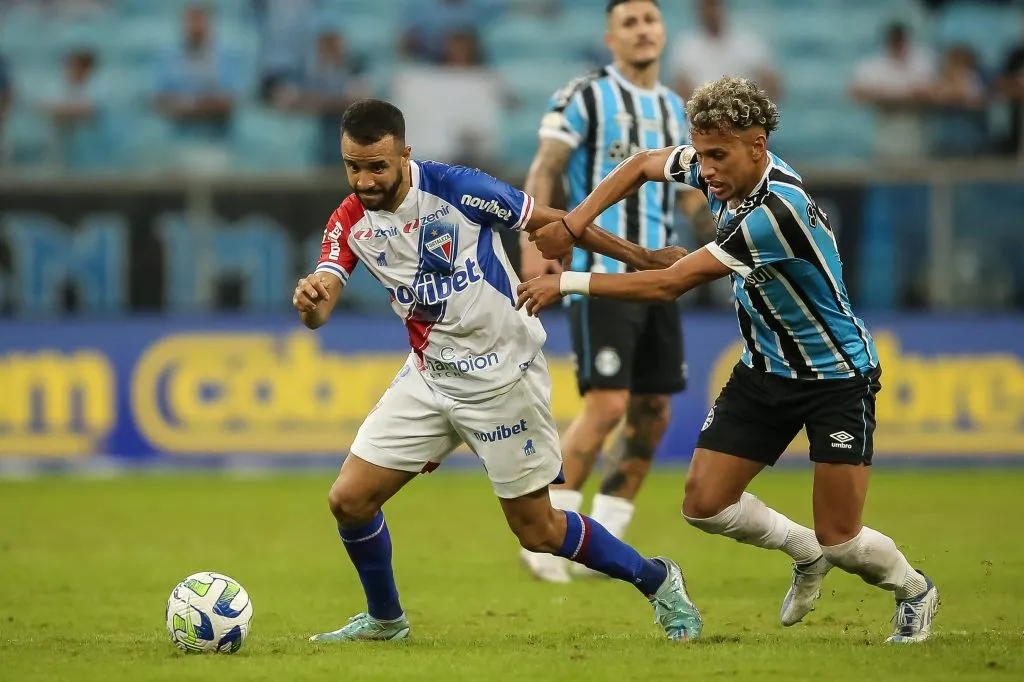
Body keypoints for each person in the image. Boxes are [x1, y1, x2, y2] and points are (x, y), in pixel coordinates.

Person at [517, 77, 939, 643]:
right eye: (702, 154)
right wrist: (574, 221)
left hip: (837, 377)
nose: (706, 169)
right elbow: (642, 164)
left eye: (718, 156)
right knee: (705, 505)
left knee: (842, 538)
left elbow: (669, 284)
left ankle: (914, 590)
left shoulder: (775, 212)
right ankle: (802, 551)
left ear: (757, 146)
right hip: (765, 369)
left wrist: (567, 281)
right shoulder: (723, 168)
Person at [294, 99, 701, 643]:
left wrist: (643, 257)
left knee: (539, 531)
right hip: (430, 375)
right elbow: (321, 308)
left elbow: (554, 223)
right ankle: (386, 621)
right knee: (349, 500)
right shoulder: (349, 221)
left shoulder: (457, 188)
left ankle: (658, 580)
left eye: (377, 166)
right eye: (353, 166)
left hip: (503, 378)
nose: (364, 180)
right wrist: (311, 300)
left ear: (404, 154)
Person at [519, 0, 715, 584]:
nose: (642, 30)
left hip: (659, 280)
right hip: (600, 275)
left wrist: (723, 238)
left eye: (650, 20)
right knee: (606, 405)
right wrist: (535, 246)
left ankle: (604, 538)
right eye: (629, 23)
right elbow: (544, 168)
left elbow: (686, 195)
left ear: (663, 31)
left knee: (652, 412)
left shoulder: (678, 108)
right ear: (611, 37)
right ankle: (547, 529)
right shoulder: (584, 96)